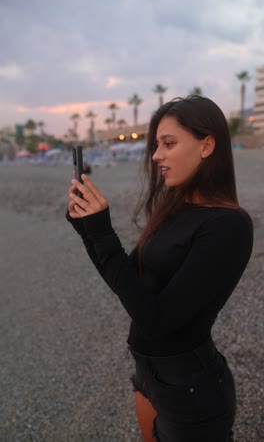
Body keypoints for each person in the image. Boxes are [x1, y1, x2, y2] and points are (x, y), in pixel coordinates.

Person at [66, 95, 253, 442]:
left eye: (168, 143)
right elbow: (129, 283)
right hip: (148, 375)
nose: (156, 156)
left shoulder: (229, 225)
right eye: (156, 145)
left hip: (192, 392)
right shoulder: (175, 208)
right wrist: (88, 230)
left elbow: (157, 320)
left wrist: (103, 231)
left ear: (207, 145)